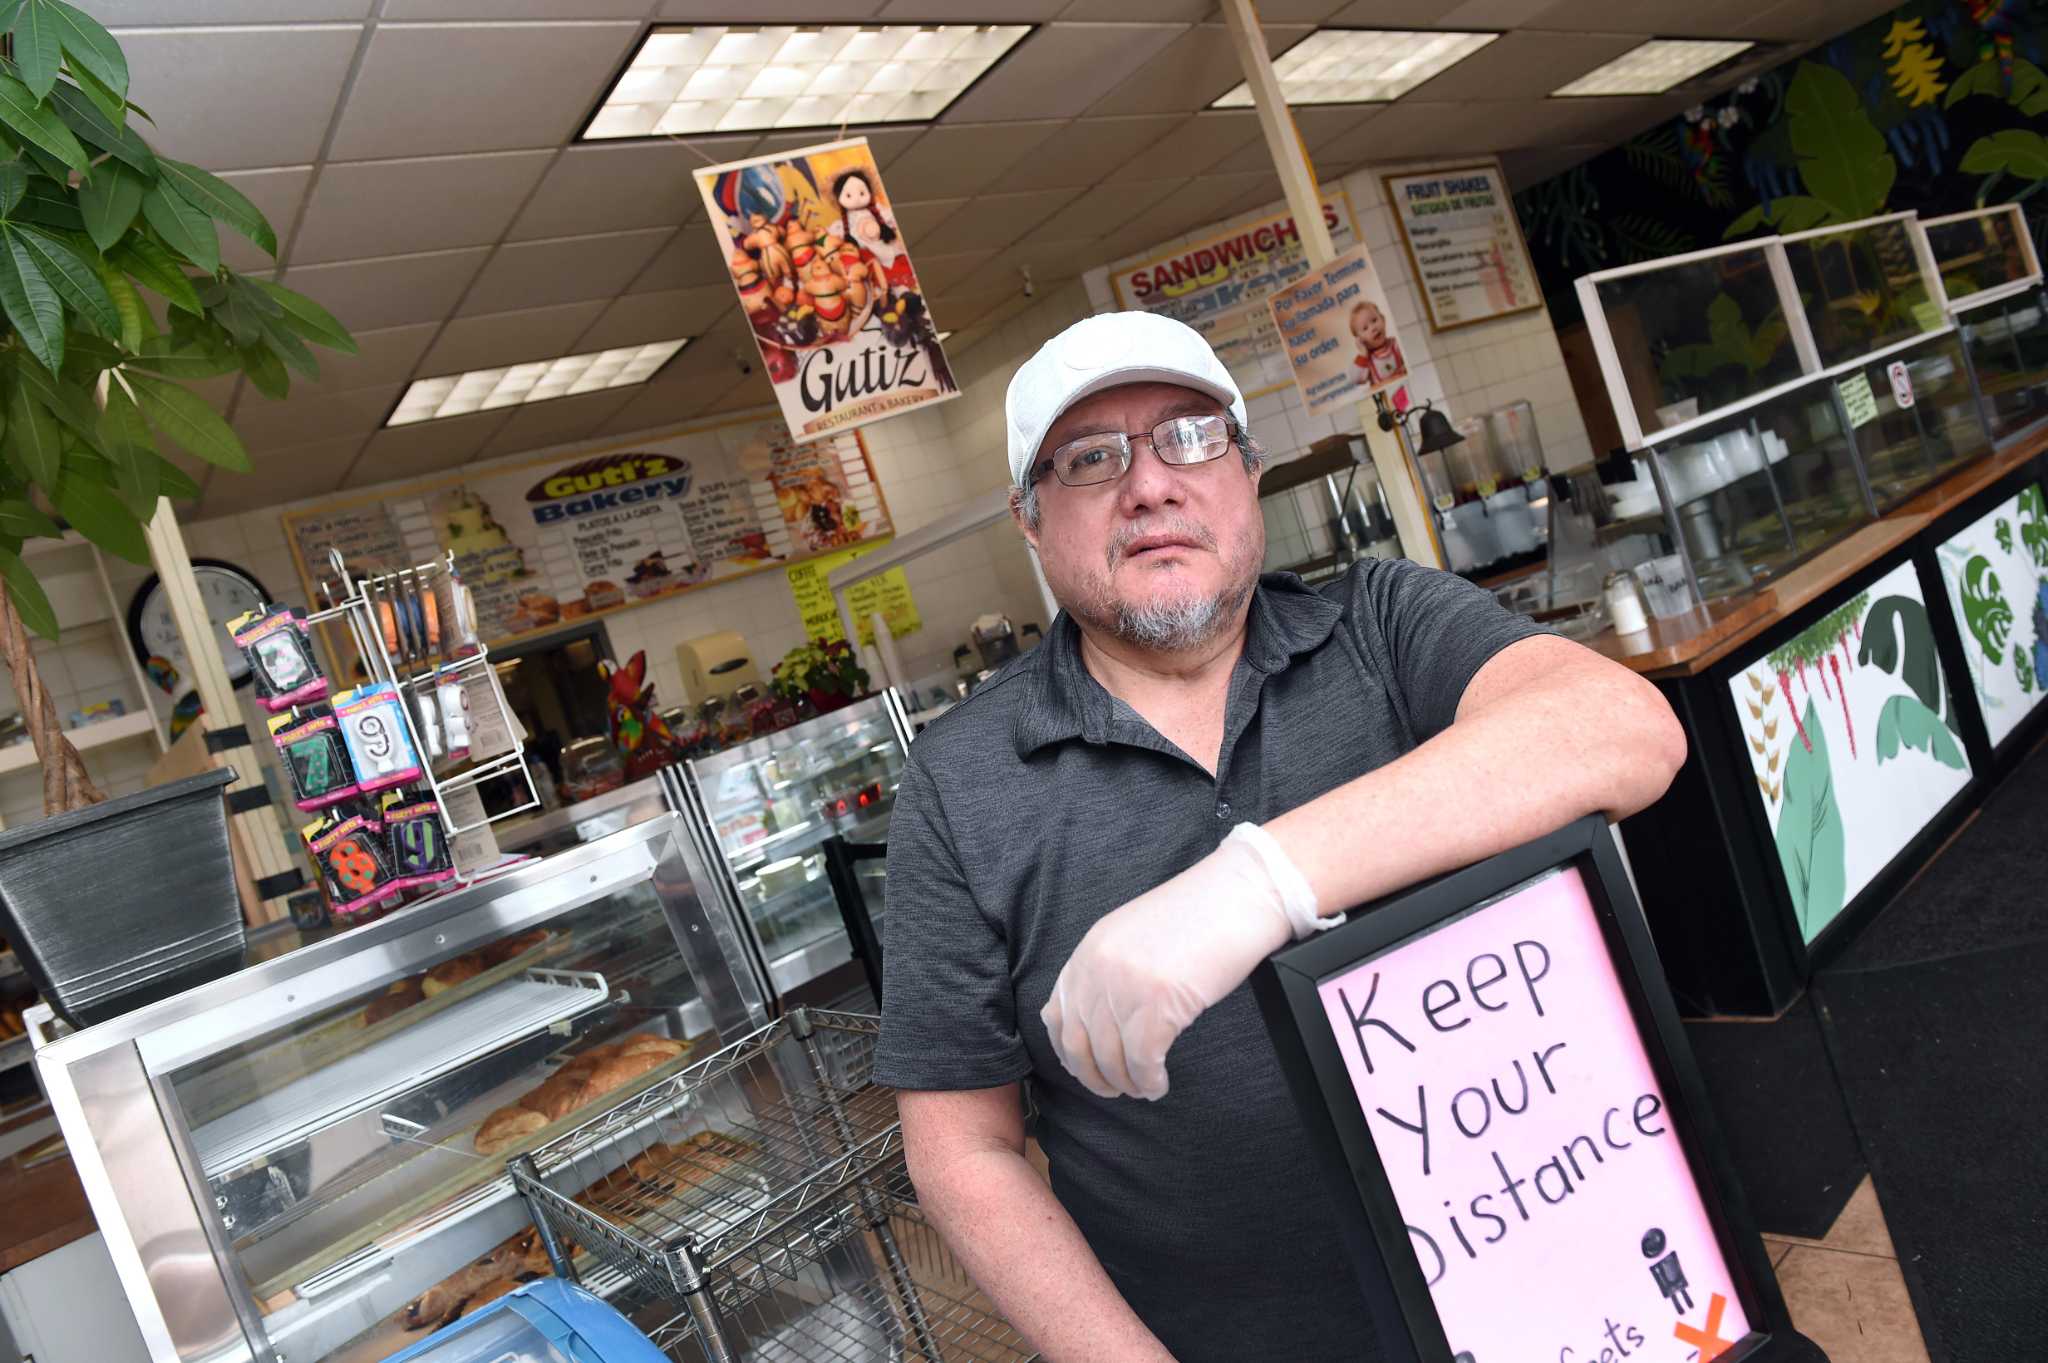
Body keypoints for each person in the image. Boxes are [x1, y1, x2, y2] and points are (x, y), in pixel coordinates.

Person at [872, 311, 1685, 1362]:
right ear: (1030, 522)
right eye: (1089, 459)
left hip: (1559, 1277)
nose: (1150, 484)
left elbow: (1622, 729)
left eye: (1191, 436)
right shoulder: (959, 782)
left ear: (1248, 472)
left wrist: (1258, 880)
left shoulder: (1385, 625)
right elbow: (962, 1149)